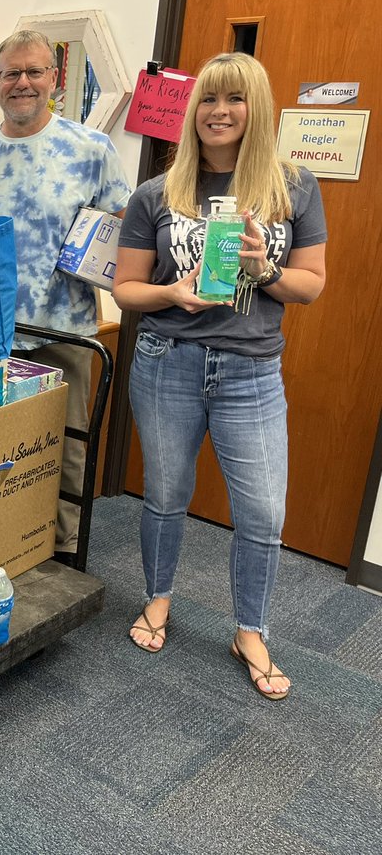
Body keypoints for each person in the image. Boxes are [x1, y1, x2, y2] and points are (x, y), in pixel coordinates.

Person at [113, 52, 326, 700]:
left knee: (263, 512)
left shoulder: (293, 187)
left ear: (255, 108)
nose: (219, 112)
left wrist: (264, 273)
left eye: (234, 99)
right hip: (166, 362)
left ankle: (251, 630)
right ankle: (158, 599)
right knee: (165, 496)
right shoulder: (158, 193)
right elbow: (125, 290)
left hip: (252, 372)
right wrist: (173, 292)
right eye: (207, 100)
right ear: (192, 111)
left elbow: (312, 286)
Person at [0, 29, 132, 561]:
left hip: (63, 332)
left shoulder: (92, 150)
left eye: (33, 72)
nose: (22, 83)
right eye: (10, 73)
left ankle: (63, 556)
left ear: (54, 78)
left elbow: (121, 233)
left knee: (64, 453)